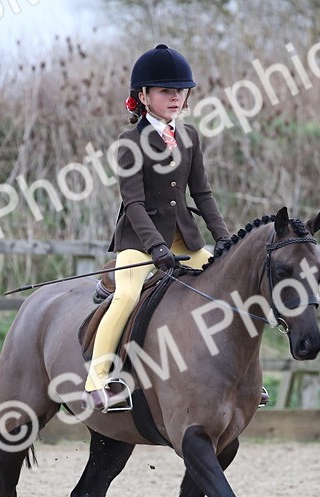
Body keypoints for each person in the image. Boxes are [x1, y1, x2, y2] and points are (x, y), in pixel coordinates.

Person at [84, 43, 232, 411]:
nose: (176, 98)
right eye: (167, 91)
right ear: (144, 96)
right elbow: (133, 203)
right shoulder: (130, 142)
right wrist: (155, 248)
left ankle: (232, 377)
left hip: (185, 238)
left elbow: (202, 192)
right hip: (140, 240)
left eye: (181, 91)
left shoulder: (191, 136)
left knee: (228, 292)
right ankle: (98, 380)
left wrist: (226, 238)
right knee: (126, 297)